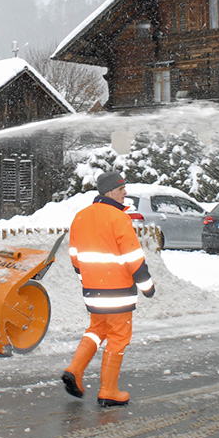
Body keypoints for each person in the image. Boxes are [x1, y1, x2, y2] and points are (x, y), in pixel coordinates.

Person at [62, 171, 155, 407]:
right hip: (118, 292)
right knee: (118, 337)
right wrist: (147, 285)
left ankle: (74, 370)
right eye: (121, 189)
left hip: (93, 290)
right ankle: (108, 391)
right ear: (110, 191)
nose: (125, 192)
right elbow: (133, 256)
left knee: (96, 330)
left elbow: (75, 256)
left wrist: (87, 277)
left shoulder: (81, 216)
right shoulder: (118, 217)